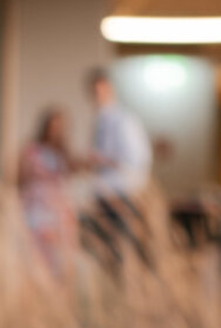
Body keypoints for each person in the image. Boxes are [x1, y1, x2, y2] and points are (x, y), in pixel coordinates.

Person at [83, 67, 151, 263]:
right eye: (94, 92)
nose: (97, 96)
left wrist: (103, 160)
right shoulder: (100, 120)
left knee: (122, 253)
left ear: (110, 89)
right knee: (105, 255)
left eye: (101, 91)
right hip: (103, 196)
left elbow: (136, 159)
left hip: (120, 196)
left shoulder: (123, 120)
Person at [17, 108, 77, 277]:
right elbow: (19, 178)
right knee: (38, 259)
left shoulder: (62, 153)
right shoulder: (31, 150)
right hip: (37, 210)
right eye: (53, 125)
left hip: (58, 211)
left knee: (61, 261)